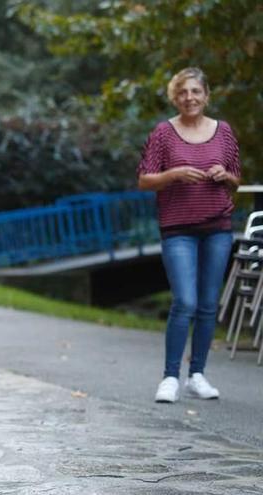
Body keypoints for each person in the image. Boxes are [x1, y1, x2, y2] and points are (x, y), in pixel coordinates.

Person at [137, 67, 241, 403]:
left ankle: (197, 374)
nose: (189, 98)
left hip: (218, 227)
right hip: (178, 228)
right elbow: (144, 180)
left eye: (195, 91)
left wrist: (224, 174)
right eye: (182, 93)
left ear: (206, 95)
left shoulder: (223, 132)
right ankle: (170, 378)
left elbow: (236, 178)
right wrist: (174, 174)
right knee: (185, 301)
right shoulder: (163, 134)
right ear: (175, 97)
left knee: (209, 304)